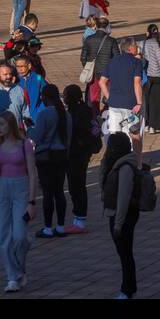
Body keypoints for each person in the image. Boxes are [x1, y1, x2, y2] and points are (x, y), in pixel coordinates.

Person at [0, 109, 38, 292]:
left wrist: (32, 201)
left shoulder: (24, 144)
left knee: (20, 236)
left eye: (2, 124)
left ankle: (18, 268)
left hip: (21, 187)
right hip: (1, 188)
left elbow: (32, 173)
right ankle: (13, 276)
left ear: (10, 124)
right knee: (3, 236)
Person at [100, 131, 144, 299]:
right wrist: (104, 162)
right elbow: (102, 183)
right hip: (116, 213)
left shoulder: (125, 167)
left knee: (125, 253)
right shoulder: (115, 164)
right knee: (123, 252)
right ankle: (128, 288)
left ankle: (128, 289)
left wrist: (118, 223)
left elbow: (123, 198)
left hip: (124, 215)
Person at [29, 83, 72, 239]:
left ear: (45, 98)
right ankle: (60, 226)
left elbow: (38, 137)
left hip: (46, 156)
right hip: (61, 155)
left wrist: (29, 129)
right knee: (59, 191)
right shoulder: (66, 115)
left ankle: (48, 227)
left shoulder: (44, 115)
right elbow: (68, 138)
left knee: (48, 193)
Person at [63, 84, 100, 233]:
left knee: (76, 187)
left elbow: (81, 133)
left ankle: (80, 220)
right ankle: (79, 219)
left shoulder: (76, 113)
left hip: (76, 155)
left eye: (65, 95)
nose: (64, 98)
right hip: (82, 154)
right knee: (77, 186)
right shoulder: (85, 110)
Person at [100, 37, 144, 137]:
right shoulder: (136, 62)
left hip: (114, 103)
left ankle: (117, 151)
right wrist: (139, 103)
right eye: (136, 45)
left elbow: (102, 82)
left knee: (115, 133)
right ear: (131, 48)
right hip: (131, 105)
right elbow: (137, 83)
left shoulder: (112, 61)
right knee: (133, 133)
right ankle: (134, 152)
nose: (137, 47)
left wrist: (109, 97)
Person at [140, 24, 160, 133]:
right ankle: (154, 126)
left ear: (148, 32)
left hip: (148, 75)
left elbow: (140, 57)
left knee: (146, 100)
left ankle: (146, 123)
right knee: (157, 101)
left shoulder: (143, 43)